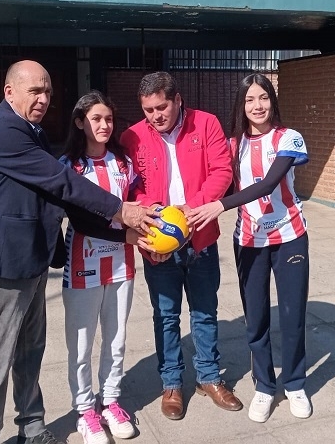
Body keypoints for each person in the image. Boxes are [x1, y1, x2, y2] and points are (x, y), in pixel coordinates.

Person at [0, 61, 156, 444]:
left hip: (30, 258)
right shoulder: (5, 132)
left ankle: (32, 427)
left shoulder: (28, 130)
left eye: (47, 91)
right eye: (35, 91)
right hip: (3, 261)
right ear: (9, 92)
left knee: (30, 350)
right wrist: (122, 211)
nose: (43, 99)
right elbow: (61, 181)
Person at [186, 73, 312, 424]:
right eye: (249, 100)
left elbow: (270, 182)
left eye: (263, 98)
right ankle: (264, 386)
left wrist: (219, 206)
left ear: (273, 100)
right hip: (248, 241)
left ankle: (296, 383)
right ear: (241, 106)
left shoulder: (289, 138)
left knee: (292, 316)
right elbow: (210, 176)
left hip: (289, 237)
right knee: (255, 319)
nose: (258, 106)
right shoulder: (231, 144)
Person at [120, 71, 243, 421]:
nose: (156, 116)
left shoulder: (206, 124)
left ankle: (208, 377)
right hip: (158, 240)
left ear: (177, 100)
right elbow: (131, 186)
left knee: (204, 311)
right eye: (148, 110)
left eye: (162, 107)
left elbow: (222, 170)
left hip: (200, 236)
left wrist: (195, 207)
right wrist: (148, 208)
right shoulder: (133, 136)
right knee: (166, 314)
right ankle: (171, 383)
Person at [59, 92, 139, 444]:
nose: (105, 125)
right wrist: (131, 236)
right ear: (80, 122)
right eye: (96, 119)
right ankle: (84, 411)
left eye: (108, 119)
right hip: (83, 264)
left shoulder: (123, 162)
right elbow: (79, 218)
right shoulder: (69, 166)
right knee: (81, 343)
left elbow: (138, 203)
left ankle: (110, 402)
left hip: (122, 264)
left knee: (117, 339)